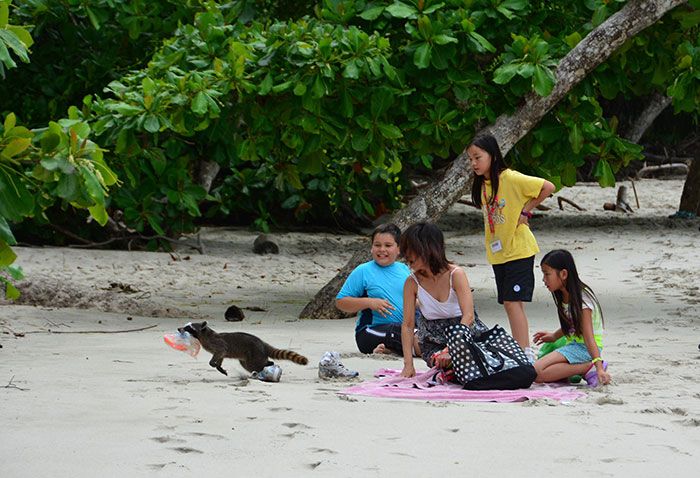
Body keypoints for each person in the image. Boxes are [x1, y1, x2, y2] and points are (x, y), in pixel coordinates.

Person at [467, 134, 555, 362]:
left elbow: (548, 186)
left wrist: (526, 211)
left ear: (493, 156)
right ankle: (521, 351)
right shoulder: (485, 185)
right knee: (509, 304)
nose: (474, 163)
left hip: (519, 250)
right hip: (499, 254)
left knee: (512, 302)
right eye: (471, 159)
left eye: (478, 157)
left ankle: (524, 354)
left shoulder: (511, 178)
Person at [398, 222, 483, 378]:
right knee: (451, 367)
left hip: (466, 336)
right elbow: (408, 325)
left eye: (411, 250)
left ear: (428, 248)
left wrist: (452, 349)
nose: (407, 256)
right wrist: (408, 366)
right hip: (433, 342)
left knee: (476, 363)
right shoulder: (411, 283)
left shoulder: (456, 274)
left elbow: (468, 316)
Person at [336, 223, 418, 356]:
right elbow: (341, 302)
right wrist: (370, 302)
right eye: (377, 245)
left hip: (407, 327)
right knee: (407, 335)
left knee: (428, 333)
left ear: (398, 248)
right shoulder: (363, 271)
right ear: (371, 248)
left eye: (388, 245)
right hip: (370, 331)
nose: (382, 250)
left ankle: (390, 350)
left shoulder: (404, 270)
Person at [533, 249, 611, 387]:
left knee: (536, 371)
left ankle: (587, 367)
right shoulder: (565, 295)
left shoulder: (582, 301)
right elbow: (572, 324)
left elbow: (588, 337)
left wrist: (598, 366)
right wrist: (553, 336)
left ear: (563, 274)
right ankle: (582, 369)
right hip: (573, 345)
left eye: (547, 274)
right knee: (539, 370)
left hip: (584, 348)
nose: (544, 280)